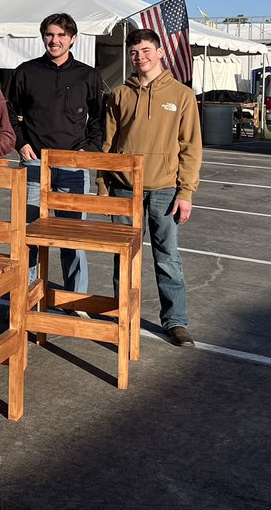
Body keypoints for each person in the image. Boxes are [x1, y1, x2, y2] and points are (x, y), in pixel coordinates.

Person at [99, 28, 202, 347]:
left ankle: (175, 321)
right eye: (134, 53)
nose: (140, 57)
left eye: (145, 51)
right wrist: (103, 184)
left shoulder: (182, 95)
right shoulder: (120, 93)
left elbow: (191, 146)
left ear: (159, 53)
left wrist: (186, 192)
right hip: (123, 189)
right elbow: (108, 143)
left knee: (167, 257)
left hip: (164, 190)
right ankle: (123, 315)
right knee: (124, 257)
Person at [8, 12, 106, 292]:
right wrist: (20, 142)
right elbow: (10, 111)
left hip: (73, 167)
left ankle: (75, 298)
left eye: (62, 35)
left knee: (71, 238)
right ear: (43, 37)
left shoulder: (88, 75)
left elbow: (99, 118)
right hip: (35, 164)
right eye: (50, 34)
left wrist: (91, 149)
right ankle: (27, 294)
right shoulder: (26, 72)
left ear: (73, 39)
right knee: (29, 236)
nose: (55, 40)